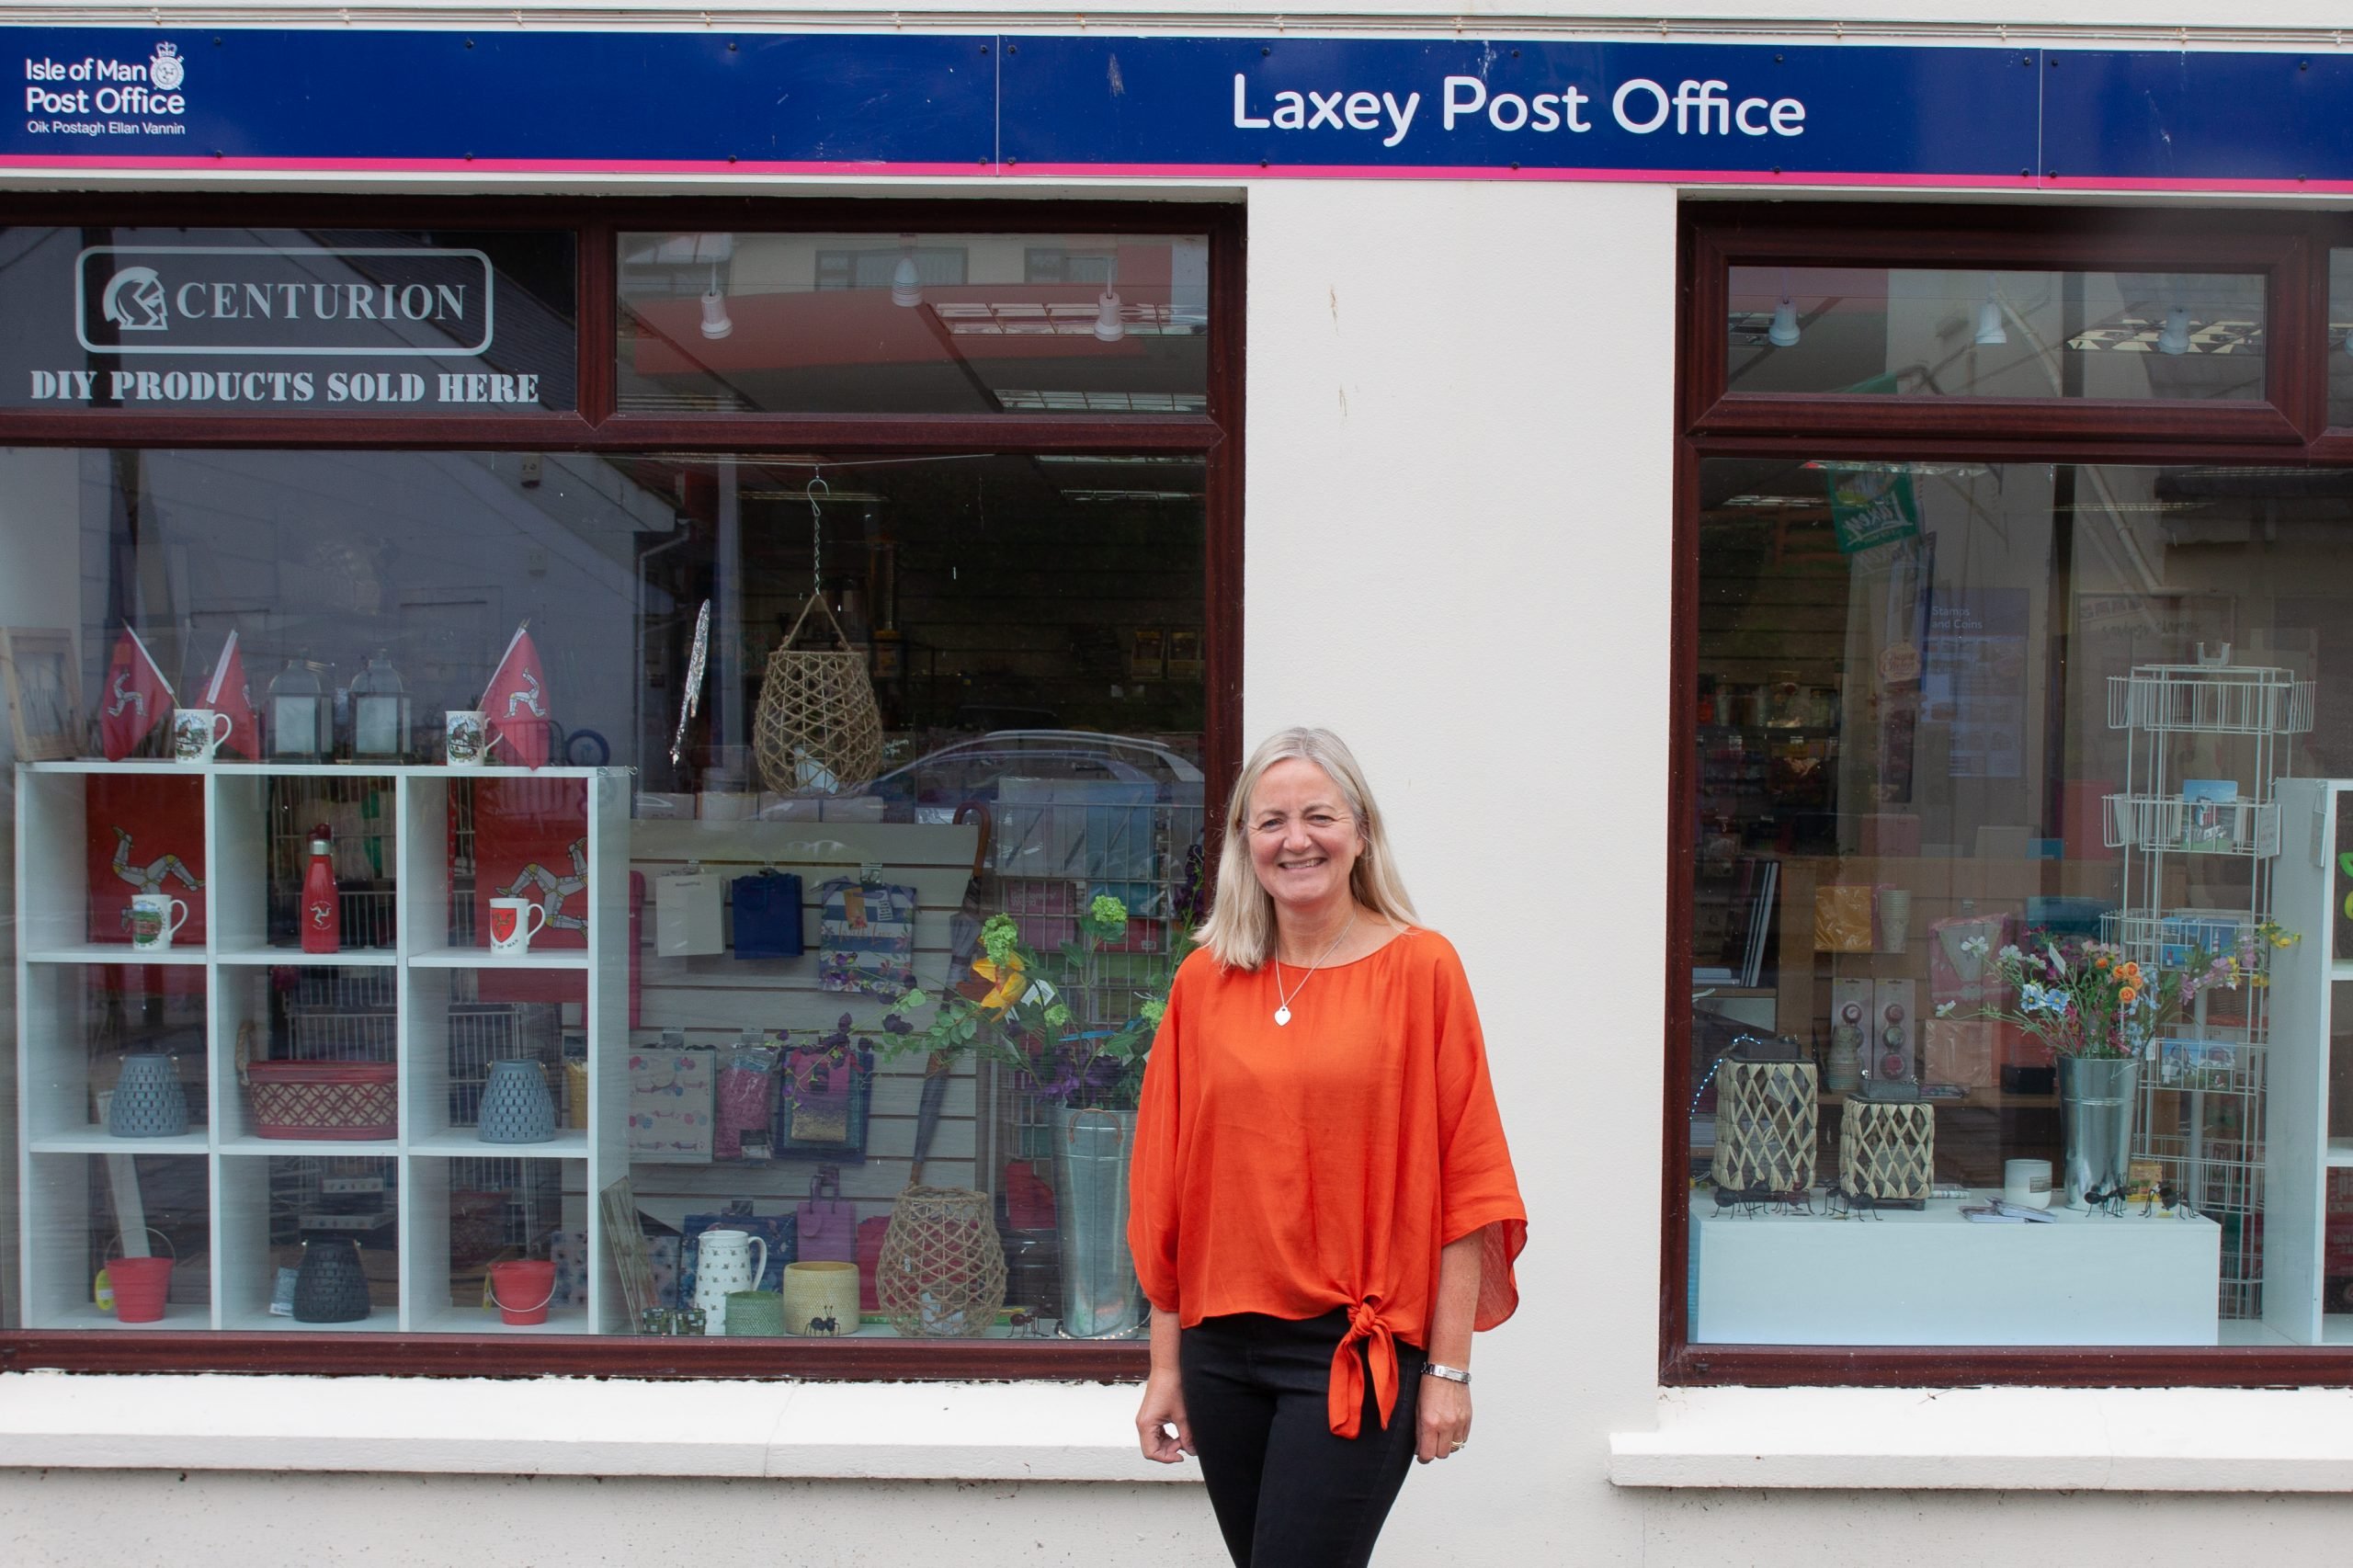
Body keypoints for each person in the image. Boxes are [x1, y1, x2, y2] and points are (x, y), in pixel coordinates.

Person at [1128, 726, 1527, 1568]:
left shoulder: (1423, 970)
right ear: (1244, 844)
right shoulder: (1205, 981)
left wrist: (1448, 1372)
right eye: (1270, 822)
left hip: (1353, 1348)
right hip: (1220, 1350)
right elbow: (1165, 1189)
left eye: (1318, 816)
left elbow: (1469, 1185)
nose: (1295, 839)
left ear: (1361, 832)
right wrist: (1165, 1367)